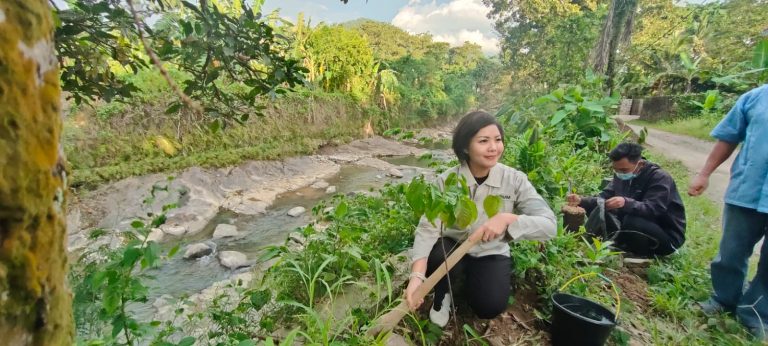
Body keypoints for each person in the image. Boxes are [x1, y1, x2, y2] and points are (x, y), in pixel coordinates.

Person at [405, 111, 556, 327]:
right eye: (483, 141)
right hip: (453, 246)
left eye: (498, 140)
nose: (493, 148)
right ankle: (443, 292)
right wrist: (416, 278)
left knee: (488, 307)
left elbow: (550, 225)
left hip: (491, 250)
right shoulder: (448, 180)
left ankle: (468, 283)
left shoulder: (514, 180)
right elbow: (427, 229)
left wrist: (508, 219)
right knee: (438, 255)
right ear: (466, 147)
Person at [689, 84, 768, 341]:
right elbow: (729, 137)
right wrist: (704, 173)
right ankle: (724, 298)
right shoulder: (755, 98)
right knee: (731, 251)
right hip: (747, 189)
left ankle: (756, 313)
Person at [567, 142, 686, 257]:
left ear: (639, 164)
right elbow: (603, 198)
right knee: (599, 208)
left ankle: (642, 255)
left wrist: (626, 203)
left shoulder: (660, 178)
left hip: (666, 236)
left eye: (623, 170)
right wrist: (581, 201)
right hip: (633, 227)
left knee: (632, 221)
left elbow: (654, 209)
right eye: (616, 169)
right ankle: (622, 244)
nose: (619, 173)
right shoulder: (621, 175)